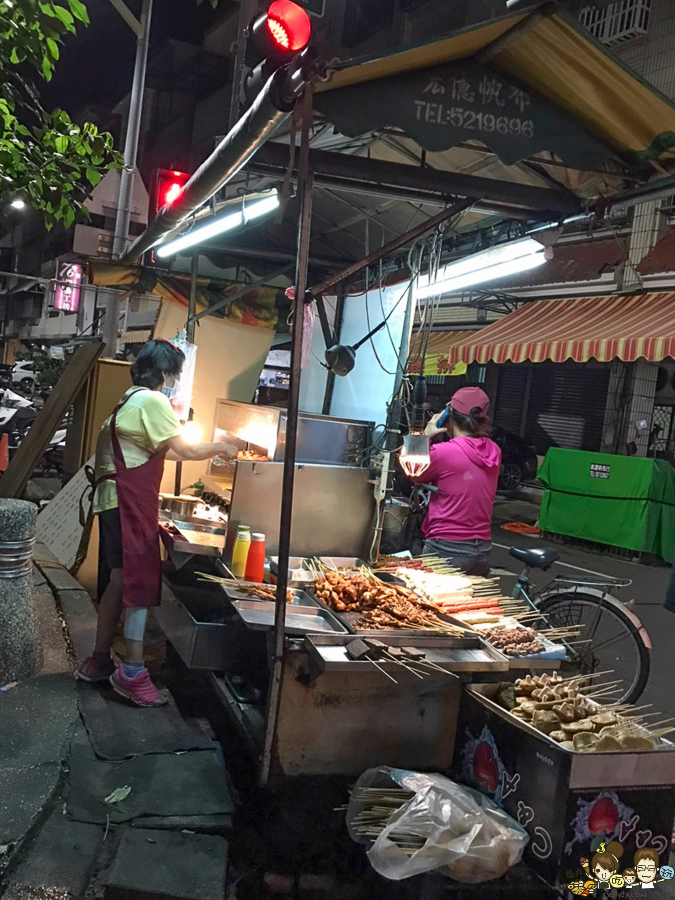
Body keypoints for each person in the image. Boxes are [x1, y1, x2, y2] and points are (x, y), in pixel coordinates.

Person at [76, 339, 237, 707]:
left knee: (119, 582)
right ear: (165, 373)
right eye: (173, 376)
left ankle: (100, 660)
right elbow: (186, 450)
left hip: (114, 501)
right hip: (127, 502)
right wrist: (225, 447)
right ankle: (132, 673)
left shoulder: (128, 400)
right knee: (139, 583)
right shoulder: (152, 400)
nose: (172, 383)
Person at [408, 386, 501, 576]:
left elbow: (411, 471)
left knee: (428, 603)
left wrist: (425, 435)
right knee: (466, 603)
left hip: (446, 548)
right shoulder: (495, 451)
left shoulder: (444, 453)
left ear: (448, 415)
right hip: (482, 548)